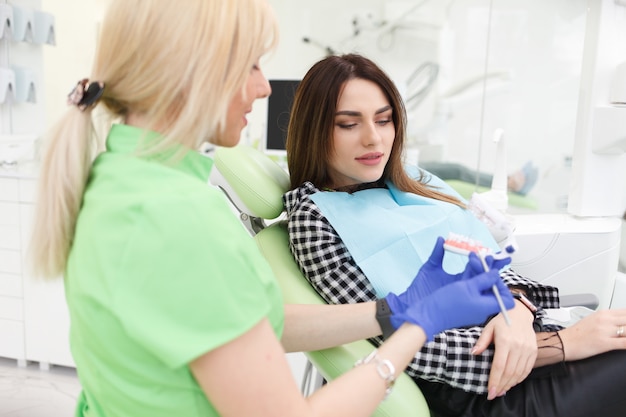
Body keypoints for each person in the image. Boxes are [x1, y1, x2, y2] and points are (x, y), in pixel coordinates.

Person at [28, 2, 513, 416]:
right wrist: (414, 331)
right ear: (193, 71)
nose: (264, 88)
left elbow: (250, 322)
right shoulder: (176, 217)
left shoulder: (123, 179)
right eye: (252, 66)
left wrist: (393, 311)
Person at [283, 53, 626, 417]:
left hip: (522, 340)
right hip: (476, 386)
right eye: (348, 124)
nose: (374, 138)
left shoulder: (415, 182)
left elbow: (491, 263)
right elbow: (401, 342)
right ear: (315, 129)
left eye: (384, 120)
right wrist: (561, 344)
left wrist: (518, 313)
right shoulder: (315, 218)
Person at [420, 160, 539, 196]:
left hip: (458, 173)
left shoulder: (503, 183)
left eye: (522, 176)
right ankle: (421, 166)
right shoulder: (503, 179)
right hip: (458, 171)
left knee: (459, 170)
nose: (519, 173)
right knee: (459, 169)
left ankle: (421, 167)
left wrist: (512, 182)